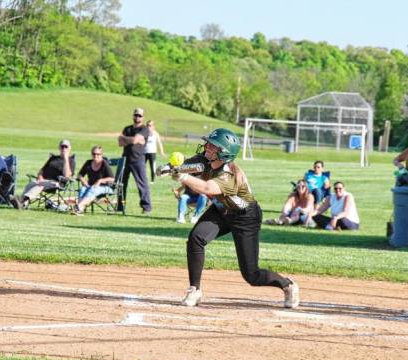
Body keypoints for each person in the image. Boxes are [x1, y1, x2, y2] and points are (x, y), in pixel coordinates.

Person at [172, 127, 299, 308]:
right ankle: (195, 289)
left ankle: (287, 285)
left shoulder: (230, 175)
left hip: (245, 217)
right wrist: (172, 168)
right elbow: (188, 165)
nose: (207, 146)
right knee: (196, 238)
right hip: (221, 211)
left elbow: (208, 188)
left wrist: (182, 177)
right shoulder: (206, 160)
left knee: (251, 274)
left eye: (213, 146)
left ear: (223, 153)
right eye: (209, 143)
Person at [10, 139, 75, 210]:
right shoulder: (53, 158)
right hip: (44, 181)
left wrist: (66, 159)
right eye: (62, 146)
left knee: (40, 185)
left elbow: (67, 175)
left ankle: (21, 201)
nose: (64, 148)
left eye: (66, 147)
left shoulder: (71, 161)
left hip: (57, 183)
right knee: (31, 184)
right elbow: (41, 170)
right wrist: (40, 177)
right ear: (59, 147)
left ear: (69, 148)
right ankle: (23, 205)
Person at [118, 108, 152, 214]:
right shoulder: (127, 128)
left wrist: (126, 139)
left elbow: (133, 140)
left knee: (142, 184)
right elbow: (120, 142)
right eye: (136, 115)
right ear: (133, 116)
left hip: (138, 160)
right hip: (125, 159)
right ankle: (120, 206)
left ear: (143, 117)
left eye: (140, 116)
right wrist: (133, 140)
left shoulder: (145, 129)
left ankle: (146, 207)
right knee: (121, 184)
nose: (137, 117)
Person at [71, 145, 115, 215]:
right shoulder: (88, 163)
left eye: (98, 154)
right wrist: (83, 180)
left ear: (101, 155)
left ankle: (78, 206)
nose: (96, 156)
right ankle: (79, 210)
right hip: (90, 186)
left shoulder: (104, 164)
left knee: (93, 189)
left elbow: (112, 178)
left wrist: (100, 181)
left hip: (105, 187)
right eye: (94, 154)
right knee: (82, 189)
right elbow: (80, 174)